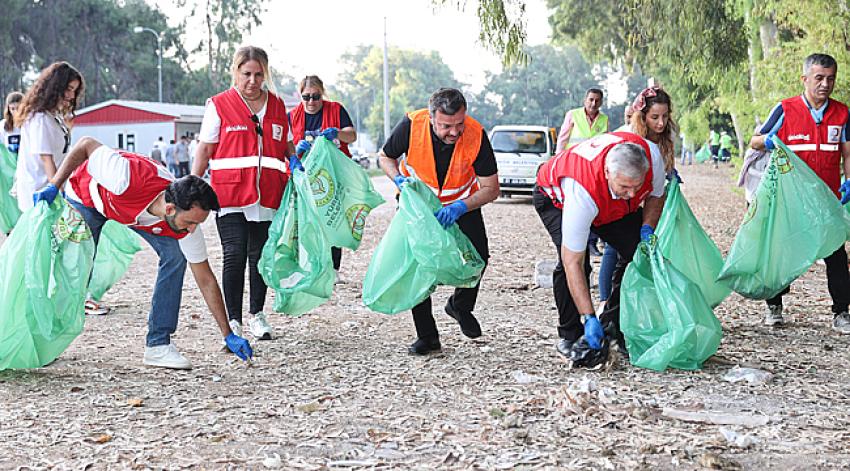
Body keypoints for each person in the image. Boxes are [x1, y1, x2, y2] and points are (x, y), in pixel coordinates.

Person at [32, 137, 254, 369]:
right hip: (88, 198)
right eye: (189, 222)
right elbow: (85, 144)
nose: (192, 230)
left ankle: (158, 345)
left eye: (196, 224)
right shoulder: (124, 177)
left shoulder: (186, 224)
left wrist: (227, 333)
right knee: (75, 273)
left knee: (176, 255)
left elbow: (206, 279)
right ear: (170, 208)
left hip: (131, 211)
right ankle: (44, 341)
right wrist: (55, 185)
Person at [378, 88, 499, 355]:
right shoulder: (411, 124)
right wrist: (397, 178)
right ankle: (428, 336)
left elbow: (491, 187)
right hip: (420, 205)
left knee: (479, 256)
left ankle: (460, 306)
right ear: (432, 118)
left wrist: (460, 207)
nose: (454, 132)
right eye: (446, 126)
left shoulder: (476, 134)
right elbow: (385, 156)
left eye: (459, 124)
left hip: (461, 204)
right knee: (419, 266)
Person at [533, 131, 666, 366]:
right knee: (577, 265)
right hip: (555, 199)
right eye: (625, 186)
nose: (633, 194)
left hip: (610, 204)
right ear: (607, 173)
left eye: (637, 186)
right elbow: (571, 261)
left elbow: (656, 196)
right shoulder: (581, 193)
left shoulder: (652, 158)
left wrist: (647, 227)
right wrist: (588, 316)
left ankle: (612, 322)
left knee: (637, 253)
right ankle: (570, 333)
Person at [192, 46, 294, 341]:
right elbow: (206, 148)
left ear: (265, 74)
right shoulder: (219, 104)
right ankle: (233, 319)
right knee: (233, 255)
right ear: (235, 72)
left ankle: (257, 315)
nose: (252, 80)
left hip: (267, 196)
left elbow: (286, 145)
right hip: (230, 194)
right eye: (246, 73)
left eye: (258, 74)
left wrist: (297, 160)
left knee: (259, 257)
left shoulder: (276, 106)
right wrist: (190, 185)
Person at [749, 52, 850, 332]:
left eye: (830, 79)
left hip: (827, 197)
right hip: (790, 197)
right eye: (818, 78)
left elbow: (848, 153)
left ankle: (842, 312)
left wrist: (849, 180)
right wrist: (768, 140)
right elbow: (755, 141)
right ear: (804, 79)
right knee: (781, 251)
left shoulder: (842, 113)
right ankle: (774, 306)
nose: (825, 84)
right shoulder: (785, 109)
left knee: (836, 254)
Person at [287, 75, 357, 283]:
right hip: (306, 176)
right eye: (306, 97)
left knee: (333, 219)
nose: (311, 102)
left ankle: (334, 269)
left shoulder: (336, 109)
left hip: (334, 175)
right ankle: (308, 265)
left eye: (316, 97)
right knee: (307, 221)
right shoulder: (293, 116)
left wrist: (337, 133)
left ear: (322, 94)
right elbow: (285, 143)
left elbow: (351, 135)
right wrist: (295, 152)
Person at [13, 62, 81, 213]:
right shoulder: (40, 118)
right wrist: (59, 193)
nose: (71, 96)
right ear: (56, 87)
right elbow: (46, 159)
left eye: (74, 91)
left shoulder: (52, 116)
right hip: (41, 193)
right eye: (69, 89)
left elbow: (58, 151)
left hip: (50, 188)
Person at [556, 88, 608, 152]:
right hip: (573, 156)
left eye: (597, 101)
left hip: (594, 158)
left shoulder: (605, 119)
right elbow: (562, 139)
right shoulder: (572, 114)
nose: (594, 104)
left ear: (601, 103)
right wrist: (558, 157)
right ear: (585, 100)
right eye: (591, 100)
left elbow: (606, 142)